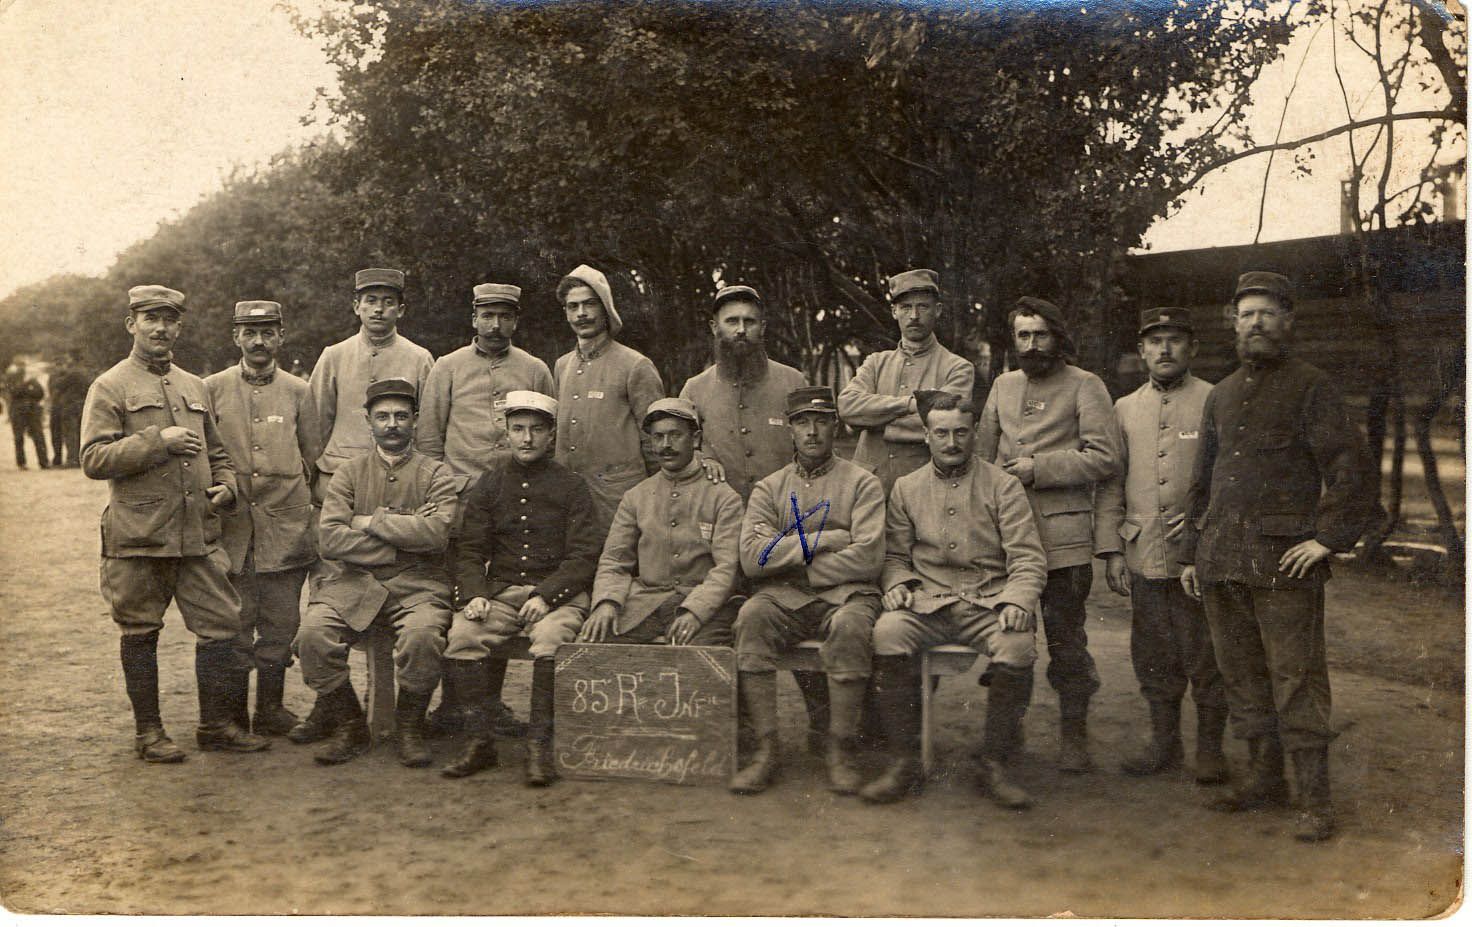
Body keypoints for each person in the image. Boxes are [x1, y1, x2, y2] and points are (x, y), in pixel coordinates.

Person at [1180, 272, 1377, 841]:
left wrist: (1327, 539)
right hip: (1223, 560)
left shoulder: (1312, 387)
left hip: (1285, 563)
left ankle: (1315, 801)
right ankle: (1264, 779)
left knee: (1296, 677)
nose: (1257, 324)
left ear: (1288, 322)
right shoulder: (1221, 394)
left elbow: (1350, 468)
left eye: (1267, 313)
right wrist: (1192, 555)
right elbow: (1204, 482)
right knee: (1240, 673)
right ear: (1234, 324)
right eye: (1247, 315)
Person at [81, 284, 269, 761]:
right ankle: (149, 734)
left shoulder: (193, 385)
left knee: (221, 625)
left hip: (197, 535)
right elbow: (94, 458)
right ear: (132, 325)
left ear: (179, 327)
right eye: (151, 318)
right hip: (140, 535)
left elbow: (218, 453)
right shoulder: (110, 385)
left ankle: (216, 726)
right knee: (140, 630)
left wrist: (226, 487)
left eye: (169, 320)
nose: (161, 328)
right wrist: (156, 441)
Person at [867, 390, 1047, 807]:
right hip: (927, 602)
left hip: (988, 601)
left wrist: (1018, 602)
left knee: (1018, 645)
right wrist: (897, 583)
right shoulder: (906, 488)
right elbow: (894, 556)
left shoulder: (1003, 486)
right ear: (926, 435)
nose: (952, 442)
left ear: (974, 434)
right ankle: (904, 760)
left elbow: (1027, 557)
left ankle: (994, 762)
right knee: (887, 632)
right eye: (942, 433)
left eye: (961, 433)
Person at [977, 297, 1121, 772]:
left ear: (1057, 336)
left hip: (1063, 543)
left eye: (1040, 334)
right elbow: (982, 455)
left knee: (1067, 643)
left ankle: (1073, 737)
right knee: (1009, 636)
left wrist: (1039, 467)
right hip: (1005, 542)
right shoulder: (1003, 385)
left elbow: (1105, 457)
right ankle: (1009, 734)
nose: (1032, 345)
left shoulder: (1085, 385)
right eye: (1023, 335)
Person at [292, 378, 458, 768]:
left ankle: (409, 727)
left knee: (422, 637)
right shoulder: (348, 473)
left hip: (418, 585)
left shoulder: (437, 474)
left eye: (401, 415)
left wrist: (369, 521)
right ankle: (350, 725)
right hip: (354, 583)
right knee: (312, 635)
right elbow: (331, 539)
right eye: (382, 416)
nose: (392, 424)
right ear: (368, 421)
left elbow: (436, 536)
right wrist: (406, 531)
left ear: (415, 419)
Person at [730, 386, 886, 796]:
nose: (812, 431)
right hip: (784, 597)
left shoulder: (863, 483)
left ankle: (840, 749)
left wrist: (792, 561)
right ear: (790, 430)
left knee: (851, 626)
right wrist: (824, 540)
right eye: (802, 422)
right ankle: (766, 750)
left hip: (848, 594)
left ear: (836, 427)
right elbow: (752, 560)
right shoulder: (769, 488)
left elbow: (867, 559)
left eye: (821, 421)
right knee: (752, 617)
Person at [1095, 307, 1228, 783]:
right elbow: (1111, 482)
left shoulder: (1215, 399)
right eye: (1155, 341)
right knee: (1153, 652)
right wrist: (1112, 549)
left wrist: (1206, 531)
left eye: (1175, 340)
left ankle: (1210, 751)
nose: (1165, 349)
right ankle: (1163, 743)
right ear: (1142, 351)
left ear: (1192, 348)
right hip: (1144, 552)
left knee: (1206, 652)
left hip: (1202, 556)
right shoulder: (1125, 408)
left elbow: (1225, 479)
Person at [441, 391, 601, 785]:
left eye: (536, 429)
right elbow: (470, 550)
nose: (526, 438)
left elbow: (584, 554)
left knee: (550, 640)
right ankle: (480, 742)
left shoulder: (572, 486)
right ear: (507, 432)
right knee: (463, 635)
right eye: (518, 429)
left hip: (558, 597)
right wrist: (475, 594)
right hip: (502, 594)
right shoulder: (490, 484)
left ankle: (538, 747)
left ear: (551, 435)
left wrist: (547, 595)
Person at [418, 282, 554, 738]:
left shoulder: (534, 369)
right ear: (473, 318)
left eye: (505, 316)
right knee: (459, 599)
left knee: (499, 597)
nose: (495, 325)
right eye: (487, 316)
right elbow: (430, 441)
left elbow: (546, 435)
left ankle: (489, 705)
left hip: (515, 507)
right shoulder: (447, 367)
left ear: (516, 320)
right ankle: (449, 705)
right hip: (460, 504)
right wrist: (442, 496)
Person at [204, 301, 322, 737]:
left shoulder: (299, 391)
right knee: (235, 624)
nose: (258, 341)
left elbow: (314, 460)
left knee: (280, 625)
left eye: (268, 333)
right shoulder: (211, 389)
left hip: (285, 530)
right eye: (250, 333)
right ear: (235, 336)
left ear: (281, 337)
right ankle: (234, 716)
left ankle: (269, 711)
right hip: (232, 530)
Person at [580, 398, 744, 647]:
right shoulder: (636, 496)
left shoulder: (723, 497)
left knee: (699, 657)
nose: (666, 445)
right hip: (646, 602)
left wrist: (696, 611)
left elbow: (727, 568)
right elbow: (614, 560)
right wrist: (607, 602)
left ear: (696, 439)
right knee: (591, 644)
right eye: (658, 437)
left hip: (705, 604)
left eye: (675, 435)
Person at [838, 269, 974, 492]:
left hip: (923, 487)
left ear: (938, 310)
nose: (914, 316)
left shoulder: (957, 367)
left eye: (923, 306)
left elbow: (945, 425)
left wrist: (874, 420)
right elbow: (846, 406)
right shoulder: (875, 362)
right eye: (906, 307)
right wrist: (911, 405)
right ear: (894, 311)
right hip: (868, 485)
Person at [552, 264, 665, 530]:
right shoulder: (562, 365)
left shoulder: (635, 365)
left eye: (589, 304)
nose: (581, 313)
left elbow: (655, 442)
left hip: (619, 503)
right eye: (573, 306)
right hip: (569, 502)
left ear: (605, 307)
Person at [678, 285, 807, 501]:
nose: (741, 330)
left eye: (749, 321)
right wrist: (701, 458)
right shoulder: (694, 389)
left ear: (762, 327)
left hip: (783, 506)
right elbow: (679, 447)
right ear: (714, 327)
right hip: (719, 510)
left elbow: (814, 449)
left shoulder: (793, 382)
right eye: (731, 321)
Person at [309, 268, 433, 492]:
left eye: (388, 302)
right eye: (371, 300)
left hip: (399, 478)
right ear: (357, 306)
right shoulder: (334, 356)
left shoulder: (419, 358)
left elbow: (426, 427)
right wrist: (310, 479)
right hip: (338, 475)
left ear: (401, 310)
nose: (378, 309)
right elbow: (315, 424)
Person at [48, 351, 89, 467]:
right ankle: (79, 459)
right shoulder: (85, 372)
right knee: (79, 433)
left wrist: (58, 375)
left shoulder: (73, 373)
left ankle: (72, 460)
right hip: (81, 406)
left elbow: (58, 384)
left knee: (70, 434)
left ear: (73, 359)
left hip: (69, 407)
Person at [5, 361, 48, 469]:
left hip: (32, 411)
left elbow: (40, 393)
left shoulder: (32, 380)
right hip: (18, 412)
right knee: (19, 437)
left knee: (38, 436)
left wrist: (26, 389)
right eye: (20, 366)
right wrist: (28, 387)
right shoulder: (12, 379)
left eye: (23, 366)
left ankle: (44, 462)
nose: (22, 369)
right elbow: (14, 392)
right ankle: (21, 463)